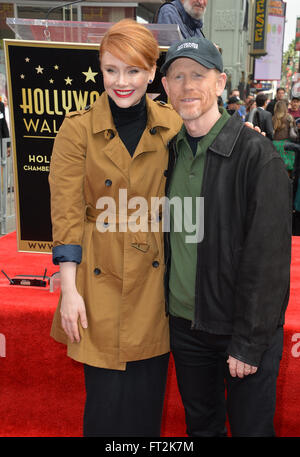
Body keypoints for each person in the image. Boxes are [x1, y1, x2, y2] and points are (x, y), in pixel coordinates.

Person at [48, 19, 182, 437]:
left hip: (154, 285)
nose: (122, 82)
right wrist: (69, 291)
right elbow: (67, 215)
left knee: (145, 411)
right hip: (96, 280)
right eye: (111, 70)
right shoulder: (76, 128)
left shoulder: (173, 124)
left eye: (133, 70)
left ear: (152, 71)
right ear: (100, 69)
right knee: (104, 411)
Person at [160, 36, 292, 437]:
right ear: (164, 88)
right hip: (186, 328)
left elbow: (269, 259)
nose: (187, 86)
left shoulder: (257, 155)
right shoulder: (169, 152)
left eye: (198, 75)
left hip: (239, 331)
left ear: (220, 83)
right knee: (201, 427)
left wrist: (249, 342)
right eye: (177, 76)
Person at [273, 99, 298, 174]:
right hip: (286, 145)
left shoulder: (273, 118)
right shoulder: (289, 117)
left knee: (276, 169)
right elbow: (294, 131)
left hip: (274, 145)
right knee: (288, 169)